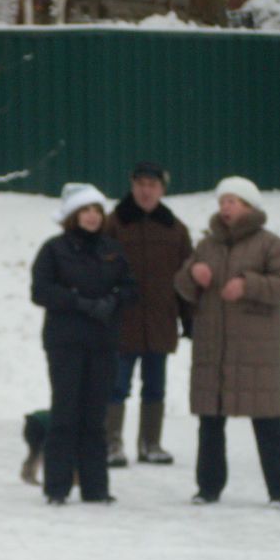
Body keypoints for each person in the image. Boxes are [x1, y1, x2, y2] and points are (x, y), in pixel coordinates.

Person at [174, 176, 280, 509]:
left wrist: (248, 285)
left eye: (233, 201)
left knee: (267, 420)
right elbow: (182, 285)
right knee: (210, 421)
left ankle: (279, 491)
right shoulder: (207, 245)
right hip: (213, 347)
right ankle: (208, 488)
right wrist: (192, 274)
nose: (226, 207)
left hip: (256, 351)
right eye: (222, 201)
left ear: (249, 206)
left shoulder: (269, 244)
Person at [31, 183, 135, 505]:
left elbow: (131, 287)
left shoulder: (113, 250)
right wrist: (79, 303)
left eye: (96, 211)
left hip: (102, 342)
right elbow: (41, 291)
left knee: (95, 416)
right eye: (85, 210)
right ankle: (57, 487)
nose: (91, 217)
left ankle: (96, 488)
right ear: (72, 215)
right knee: (66, 412)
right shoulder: (54, 249)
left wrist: (113, 300)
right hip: (65, 342)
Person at [103, 160, 192, 467]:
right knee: (116, 385)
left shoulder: (175, 229)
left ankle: (150, 443)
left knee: (155, 386)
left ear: (162, 190)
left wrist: (189, 320)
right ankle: (111, 444)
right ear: (132, 186)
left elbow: (186, 279)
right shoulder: (113, 223)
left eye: (152, 185)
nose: (145, 191)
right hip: (121, 322)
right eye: (140, 184)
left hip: (160, 322)